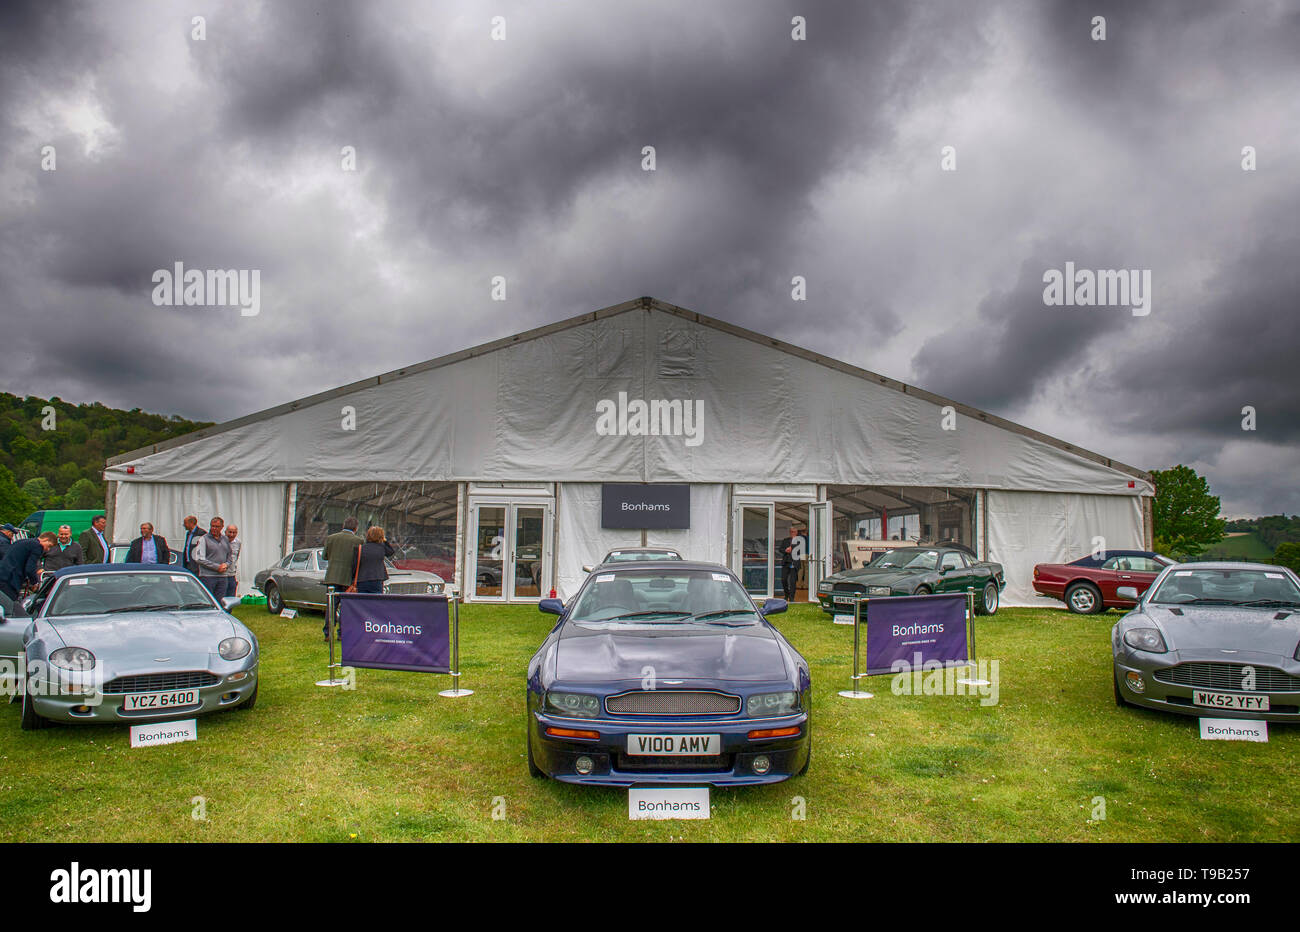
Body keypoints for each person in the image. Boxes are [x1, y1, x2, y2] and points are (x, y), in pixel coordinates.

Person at [321, 517, 362, 639]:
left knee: (331, 606)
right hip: (348, 578)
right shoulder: (359, 541)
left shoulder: (331, 538)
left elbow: (324, 556)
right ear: (356, 528)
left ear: (343, 526)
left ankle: (328, 633)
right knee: (346, 607)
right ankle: (342, 633)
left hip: (332, 577)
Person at [0, 532, 56, 608]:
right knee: (10, 606)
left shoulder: (22, 542)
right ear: (45, 539)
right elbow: (30, 568)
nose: (47, 549)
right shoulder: (37, 546)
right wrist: (35, 582)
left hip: (3, 575)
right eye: (49, 546)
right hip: (11, 580)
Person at [192, 516, 232, 600]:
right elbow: (199, 558)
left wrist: (226, 565)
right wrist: (217, 567)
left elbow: (229, 556)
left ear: (222, 527)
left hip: (223, 576)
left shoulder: (225, 539)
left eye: (217, 526)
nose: (214, 528)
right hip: (208, 576)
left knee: (221, 600)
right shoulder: (204, 539)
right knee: (209, 600)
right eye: (212, 526)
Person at [353, 526, 395, 594]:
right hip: (377, 579)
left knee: (362, 603)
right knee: (376, 602)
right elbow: (391, 552)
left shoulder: (360, 548)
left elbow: (354, 565)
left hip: (362, 579)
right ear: (381, 536)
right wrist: (384, 540)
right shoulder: (382, 548)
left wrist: (353, 578)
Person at [778, 527, 801, 602]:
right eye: (791, 532)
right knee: (783, 579)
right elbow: (780, 549)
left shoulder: (799, 540)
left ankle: (791, 597)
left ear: (796, 532)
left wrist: (792, 547)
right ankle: (786, 595)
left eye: (794, 532)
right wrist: (785, 550)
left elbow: (799, 550)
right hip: (786, 562)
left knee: (792, 581)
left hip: (794, 563)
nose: (792, 533)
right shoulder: (786, 540)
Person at [223, 523, 241, 594]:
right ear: (225, 532)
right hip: (221, 574)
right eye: (230, 532)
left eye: (234, 532)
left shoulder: (238, 542)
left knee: (231, 594)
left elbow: (237, 556)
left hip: (232, 574)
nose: (231, 535)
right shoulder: (220, 541)